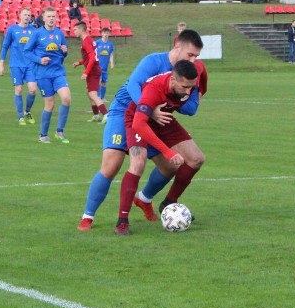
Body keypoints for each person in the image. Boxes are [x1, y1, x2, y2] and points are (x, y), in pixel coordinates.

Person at [77, 29, 204, 231]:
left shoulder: (189, 73)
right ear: (177, 45)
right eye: (190, 54)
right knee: (112, 166)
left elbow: (190, 108)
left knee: (171, 166)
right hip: (125, 111)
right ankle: (88, 216)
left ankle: (144, 199)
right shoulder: (153, 61)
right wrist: (151, 109)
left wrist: (192, 93)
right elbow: (133, 86)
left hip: (154, 116)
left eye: (197, 56)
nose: (194, 59)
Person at [114, 60, 203, 235]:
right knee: (138, 164)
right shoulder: (155, 89)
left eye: (191, 87)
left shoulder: (193, 78)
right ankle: (122, 221)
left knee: (196, 158)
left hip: (163, 119)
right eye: (184, 87)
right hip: (139, 119)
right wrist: (168, 151)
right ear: (173, 80)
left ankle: (169, 203)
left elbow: (202, 78)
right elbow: (139, 124)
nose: (188, 92)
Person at [23, 6, 71, 143]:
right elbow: (27, 52)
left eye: (53, 16)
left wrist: (64, 51)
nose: (51, 19)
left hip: (58, 72)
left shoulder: (59, 34)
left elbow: (63, 53)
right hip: (43, 74)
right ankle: (43, 135)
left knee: (66, 98)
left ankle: (59, 131)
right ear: (43, 18)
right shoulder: (37, 34)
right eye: (48, 16)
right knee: (50, 104)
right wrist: (39, 60)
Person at [0, 7, 38, 126]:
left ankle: (28, 111)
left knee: (32, 89)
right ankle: (20, 116)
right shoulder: (12, 30)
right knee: (19, 89)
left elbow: (38, 47)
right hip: (16, 64)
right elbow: (5, 47)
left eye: (29, 15)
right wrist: (1, 64)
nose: (27, 17)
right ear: (19, 16)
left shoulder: (34, 31)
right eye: (25, 15)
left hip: (30, 65)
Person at [72, 21, 108, 123]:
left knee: (92, 94)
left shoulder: (86, 41)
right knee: (89, 93)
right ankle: (96, 116)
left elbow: (92, 58)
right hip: (94, 69)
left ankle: (106, 114)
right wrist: (79, 63)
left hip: (93, 71)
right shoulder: (89, 40)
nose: (74, 32)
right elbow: (89, 58)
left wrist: (86, 72)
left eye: (75, 29)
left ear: (81, 29)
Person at [95, 27, 115, 100]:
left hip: (105, 68)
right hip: (97, 67)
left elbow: (111, 54)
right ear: (101, 33)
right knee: (99, 81)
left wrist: (112, 63)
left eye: (107, 33)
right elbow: (92, 51)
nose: (106, 34)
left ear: (109, 34)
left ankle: (102, 98)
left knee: (104, 83)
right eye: (104, 33)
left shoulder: (110, 44)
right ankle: (97, 97)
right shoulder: (97, 42)